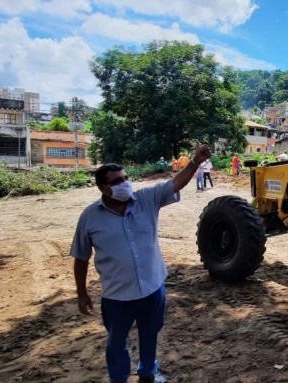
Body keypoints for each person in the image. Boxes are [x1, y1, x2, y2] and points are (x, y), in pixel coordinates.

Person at [71, 144, 211, 383]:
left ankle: (147, 372)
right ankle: (120, 378)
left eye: (126, 178)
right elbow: (81, 257)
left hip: (152, 289)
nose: (125, 183)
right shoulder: (90, 217)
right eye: (117, 181)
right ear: (103, 188)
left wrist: (195, 162)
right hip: (117, 296)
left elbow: (175, 184)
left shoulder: (146, 199)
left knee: (150, 334)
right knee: (116, 342)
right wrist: (82, 293)